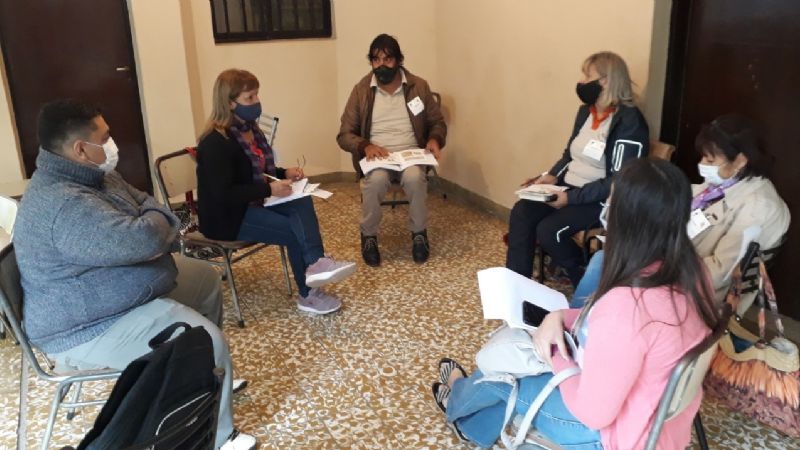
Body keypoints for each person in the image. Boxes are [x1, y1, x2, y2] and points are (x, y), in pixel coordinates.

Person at [14, 99, 255, 450]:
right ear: (81, 149)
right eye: (105, 137)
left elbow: (148, 201)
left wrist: (152, 224)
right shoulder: (63, 204)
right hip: (85, 324)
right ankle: (220, 437)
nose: (113, 144)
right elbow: (144, 238)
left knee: (203, 279)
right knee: (209, 338)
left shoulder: (95, 176)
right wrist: (153, 226)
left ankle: (205, 375)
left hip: (117, 288)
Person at [434, 159, 720, 449]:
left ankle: (456, 397)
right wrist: (562, 316)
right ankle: (472, 424)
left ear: (627, 219)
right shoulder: (694, 270)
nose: (605, 208)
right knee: (523, 361)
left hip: (613, 435)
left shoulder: (627, 306)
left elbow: (592, 414)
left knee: (504, 376)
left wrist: (555, 353)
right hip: (663, 423)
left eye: (611, 201)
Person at [572, 114, 790, 313]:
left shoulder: (758, 207)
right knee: (607, 260)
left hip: (698, 291)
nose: (702, 165)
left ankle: (583, 328)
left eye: (711, 160)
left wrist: (660, 261)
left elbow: (719, 274)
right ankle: (583, 325)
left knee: (610, 269)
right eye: (703, 157)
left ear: (741, 161)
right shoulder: (720, 186)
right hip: (675, 265)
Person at [197, 69, 356, 315]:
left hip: (252, 202)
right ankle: (308, 294)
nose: (257, 102)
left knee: (301, 202)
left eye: (257, 95)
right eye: (249, 98)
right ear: (230, 103)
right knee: (292, 230)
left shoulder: (250, 130)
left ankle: (315, 262)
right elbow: (223, 194)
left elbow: (254, 169)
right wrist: (268, 188)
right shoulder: (214, 143)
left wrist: (283, 173)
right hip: (227, 217)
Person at [506, 51, 648, 287]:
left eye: (586, 75)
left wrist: (570, 198)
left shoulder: (629, 121)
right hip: (569, 187)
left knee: (550, 230)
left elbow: (620, 179)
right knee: (522, 211)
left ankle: (586, 282)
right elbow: (569, 154)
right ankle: (518, 288)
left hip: (601, 198)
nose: (581, 82)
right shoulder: (586, 112)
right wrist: (549, 176)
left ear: (605, 80)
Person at [337, 33, 447, 266]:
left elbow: (437, 122)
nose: (381, 65)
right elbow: (344, 134)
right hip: (379, 157)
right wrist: (365, 145)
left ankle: (419, 235)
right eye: (376, 60)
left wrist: (435, 139)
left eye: (387, 60)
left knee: (415, 177)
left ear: (398, 60)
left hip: (410, 155)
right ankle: (369, 237)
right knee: (375, 181)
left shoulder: (419, 86)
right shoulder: (361, 90)